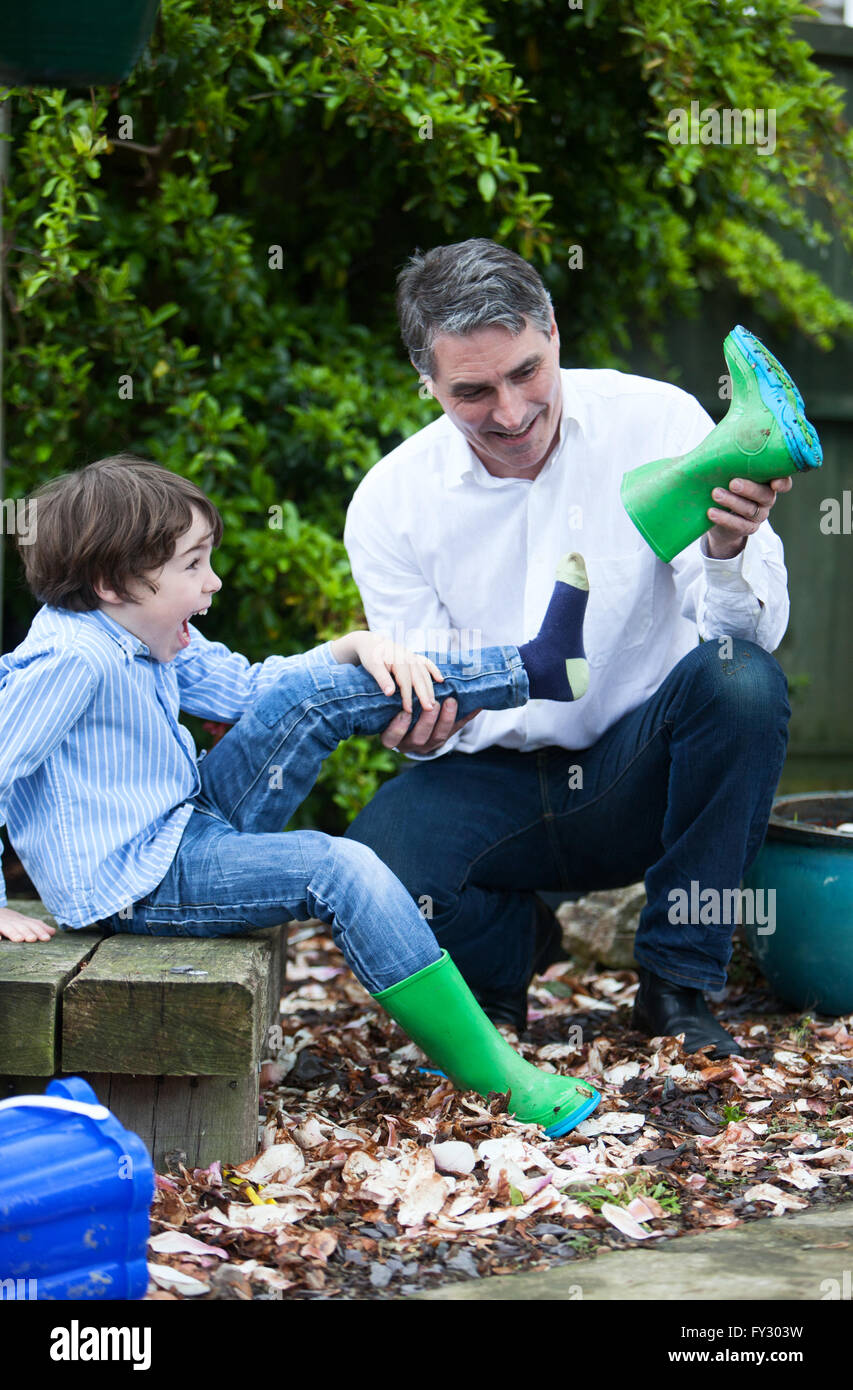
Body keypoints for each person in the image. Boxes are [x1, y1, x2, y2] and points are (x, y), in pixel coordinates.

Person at [0, 455, 601, 1135]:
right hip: (141, 882)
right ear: (112, 582)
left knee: (310, 696)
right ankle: (492, 1077)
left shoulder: (148, 631)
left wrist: (352, 646)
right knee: (337, 866)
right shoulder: (70, 662)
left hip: (187, 825)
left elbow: (257, 693)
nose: (213, 582)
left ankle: (530, 666)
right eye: (193, 565)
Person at [344, 237, 798, 1058]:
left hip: (635, 772)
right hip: (491, 780)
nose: (510, 414)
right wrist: (415, 719)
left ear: (553, 332)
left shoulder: (657, 421)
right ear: (428, 385)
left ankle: (677, 987)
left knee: (741, 683)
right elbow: (422, 696)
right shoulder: (390, 500)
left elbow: (746, 641)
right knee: (378, 859)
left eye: (525, 373)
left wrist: (729, 554)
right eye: (472, 392)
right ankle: (498, 986)